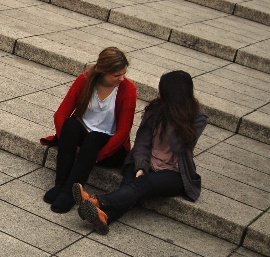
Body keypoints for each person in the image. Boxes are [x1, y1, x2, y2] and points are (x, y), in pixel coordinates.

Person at [73, 70, 208, 234]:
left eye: (163, 91)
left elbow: (177, 145)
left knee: (142, 184)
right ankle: (104, 217)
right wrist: (141, 166)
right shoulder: (156, 109)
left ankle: (97, 201)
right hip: (147, 160)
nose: (159, 95)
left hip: (174, 172)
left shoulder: (198, 117)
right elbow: (142, 142)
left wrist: (174, 114)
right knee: (130, 186)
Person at [40, 47, 137, 213]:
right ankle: (60, 183)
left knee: (93, 138)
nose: (121, 78)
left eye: (123, 73)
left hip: (110, 146)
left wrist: (93, 155)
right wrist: (67, 142)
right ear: (102, 71)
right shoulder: (84, 80)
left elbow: (122, 133)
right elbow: (60, 115)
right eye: (116, 75)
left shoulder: (128, 89)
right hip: (84, 136)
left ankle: (70, 191)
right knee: (70, 124)